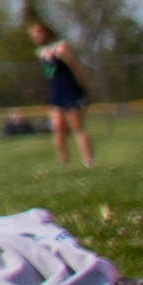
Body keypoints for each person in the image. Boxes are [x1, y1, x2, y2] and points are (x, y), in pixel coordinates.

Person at [33, 15, 98, 169]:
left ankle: (88, 161)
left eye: (37, 33)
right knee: (57, 128)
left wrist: (85, 88)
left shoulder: (61, 48)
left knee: (77, 128)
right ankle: (64, 163)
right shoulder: (40, 52)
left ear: (45, 32)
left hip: (70, 92)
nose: (35, 37)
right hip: (55, 95)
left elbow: (76, 67)